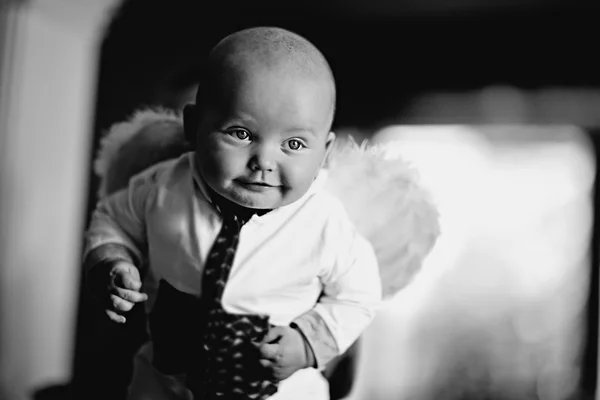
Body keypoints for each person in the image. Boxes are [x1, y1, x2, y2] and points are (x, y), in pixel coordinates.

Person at [84, 26, 382, 400]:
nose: (263, 162)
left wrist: (308, 341)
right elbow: (112, 219)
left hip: (280, 390)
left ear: (323, 152)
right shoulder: (162, 186)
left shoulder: (325, 222)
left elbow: (360, 295)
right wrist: (112, 259)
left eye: (293, 143)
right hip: (166, 381)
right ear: (193, 128)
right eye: (241, 134)